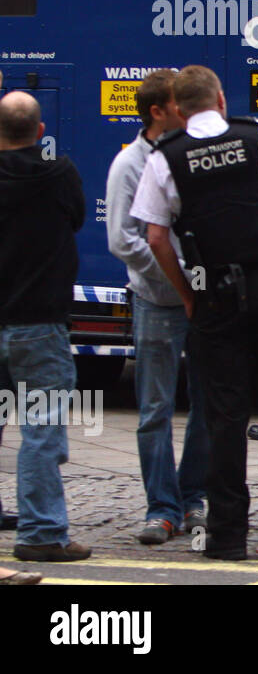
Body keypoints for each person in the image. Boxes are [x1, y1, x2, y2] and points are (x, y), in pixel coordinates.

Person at [131, 65, 258, 559]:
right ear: (219, 99)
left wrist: (187, 292)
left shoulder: (165, 158)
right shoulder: (257, 137)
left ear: (178, 108)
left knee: (224, 417)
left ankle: (228, 536)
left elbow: (155, 236)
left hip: (214, 296)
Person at [106, 69, 209, 544]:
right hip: (156, 300)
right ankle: (162, 508)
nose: (185, 109)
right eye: (176, 103)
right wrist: (179, 279)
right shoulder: (129, 165)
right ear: (157, 112)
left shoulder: (191, 151)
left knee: (207, 404)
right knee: (154, 409)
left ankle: (193, 498)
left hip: (202, 299)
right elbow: (124, 241)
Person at [0, 91, 91, 563]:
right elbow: (77, 218)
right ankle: (41, 533)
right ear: (39, 131)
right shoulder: (60, 173)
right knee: (41, 429)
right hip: (39, 322)